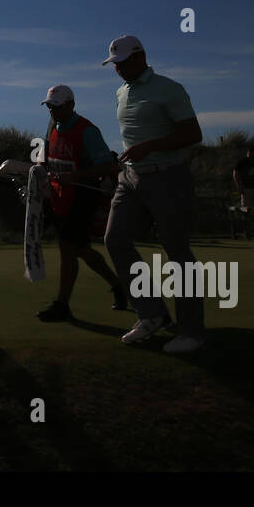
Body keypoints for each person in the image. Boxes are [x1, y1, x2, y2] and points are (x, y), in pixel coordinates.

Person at [100, 35, 206, 354]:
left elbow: (192, 134)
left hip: (169, 176)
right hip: (130, 177)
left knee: (177, 252)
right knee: (115, 240)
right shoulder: (121, 92)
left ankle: (192, 331)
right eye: (114, 65)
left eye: (122, 63)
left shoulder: (169, 88)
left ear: (140, 56)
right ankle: (151, 313)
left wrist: (150, 147)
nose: (117, 69)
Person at [34, 84, 129, 322]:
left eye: (56, 106)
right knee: (81, 249)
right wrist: (39, 171)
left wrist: (75, 177)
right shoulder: (52, 127)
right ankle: (118, 285)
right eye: (49, 106)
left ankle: (62, 305)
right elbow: (48, 157)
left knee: (67, 248)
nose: (52, 111)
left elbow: (109, 165)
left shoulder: (87, 130)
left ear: (71, 105)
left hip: (83, 196)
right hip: (59, 197)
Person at [232, 146, 254, 237]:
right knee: (246, 210)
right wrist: (239, 187)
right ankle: (246, 230)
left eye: (253, 153)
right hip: (246, 189)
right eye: (250, 153)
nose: (251, 155)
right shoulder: (242, 162)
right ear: (247, 153)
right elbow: (235, 174)